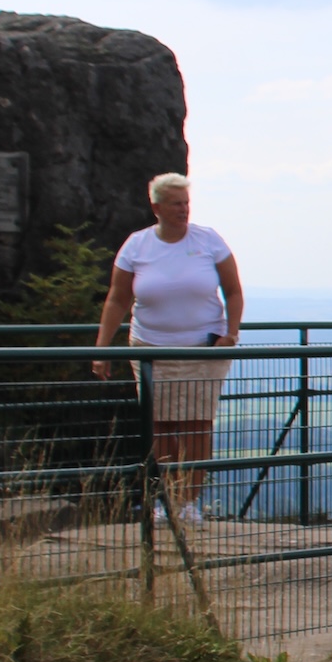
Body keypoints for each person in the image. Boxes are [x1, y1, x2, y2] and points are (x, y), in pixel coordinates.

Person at [92, 172, 242, 527]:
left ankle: (188, 502)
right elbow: (117, 299)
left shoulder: (209, 242)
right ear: (156, 206)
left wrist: (231, 333)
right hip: (149, 349)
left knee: (196, 426)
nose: (183, 209)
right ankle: (165, 500)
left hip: (202, 350)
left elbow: (233, 290)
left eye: (186, 202)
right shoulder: (137, 246)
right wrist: (102, 348)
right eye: (176, 203)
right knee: (160, 427)